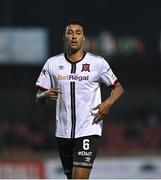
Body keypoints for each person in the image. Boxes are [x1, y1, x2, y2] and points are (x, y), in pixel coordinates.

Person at [35, 19, 124, 179]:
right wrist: (45, 95)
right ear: (65, 38)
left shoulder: (97, 63)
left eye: (78, 33)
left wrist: (108, 103)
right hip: (63, 133)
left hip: (88, 130)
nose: (74, 36)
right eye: (70, 33)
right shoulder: (52, 64)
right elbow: (38, 98)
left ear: (84, 38)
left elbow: (118, 87)